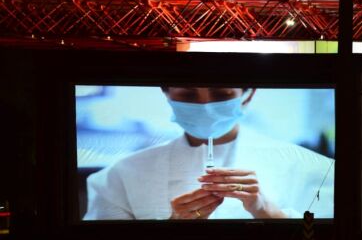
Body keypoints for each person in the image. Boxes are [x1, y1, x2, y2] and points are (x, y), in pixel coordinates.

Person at [83, 86, 334, 220]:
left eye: (221, 95)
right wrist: (172, 230)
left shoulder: (312, 169)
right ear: (166, 94)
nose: (205, 106)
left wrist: (267, 211)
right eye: (188, 95)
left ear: (247, 95)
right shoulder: (121, 175)